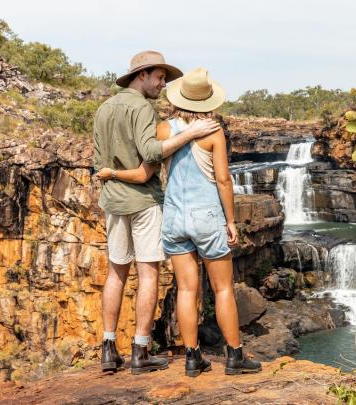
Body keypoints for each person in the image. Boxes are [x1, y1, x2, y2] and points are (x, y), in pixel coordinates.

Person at [97, 67, 261, 377]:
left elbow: (151, 164)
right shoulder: (212, 131)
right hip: (207, 216)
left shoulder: (162, 129)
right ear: (208, 101)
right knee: (222, 288)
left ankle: (191, 356)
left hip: (173, 217)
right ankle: (235, 356)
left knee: (187, 289)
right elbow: (223, 180)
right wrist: (231, 221)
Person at [92, 51, 220, 374]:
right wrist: (189, 134)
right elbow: (150, 154)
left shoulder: (104, 109)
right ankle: (140, 350)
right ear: (142, 75)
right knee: (148, 273)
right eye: (160, 77)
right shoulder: (142, 108)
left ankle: (108, 350)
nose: (163, 84)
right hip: (144, 203)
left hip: (113, 202)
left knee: (116, 273)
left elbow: (99, 163)